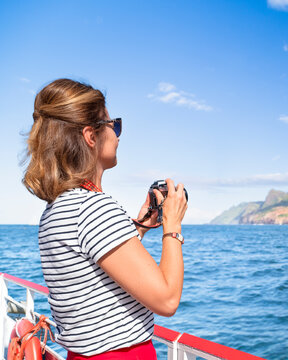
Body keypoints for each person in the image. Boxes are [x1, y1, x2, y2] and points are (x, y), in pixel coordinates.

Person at [22, 78, 187, 359]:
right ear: (91, 136)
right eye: (115, 125)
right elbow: (167, 300)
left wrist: (140, 227)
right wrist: (172, 226)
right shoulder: (93, 208)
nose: (119, 135)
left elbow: (95, 271)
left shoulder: (56, 209)